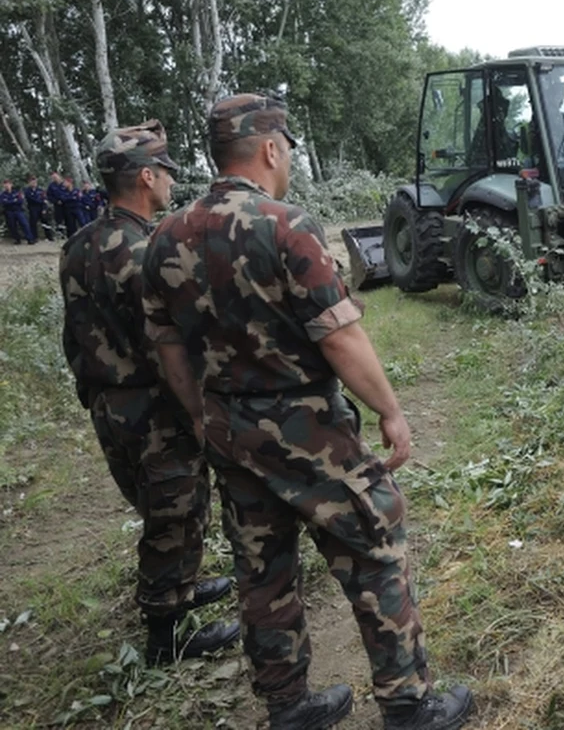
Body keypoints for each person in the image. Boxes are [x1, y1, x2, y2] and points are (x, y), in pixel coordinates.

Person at [141, 94, 473, 730]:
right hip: (309, 432)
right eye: (287, 147)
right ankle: (408, 704)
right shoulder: (286, 225)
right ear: (269, 148)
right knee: (375, 547)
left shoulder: (164, 237)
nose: (288, 157)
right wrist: (391, 412)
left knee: (262, 572)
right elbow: (339, 336)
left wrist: (201, 417)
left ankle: (289, 709)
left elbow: (170, 350)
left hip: (227, 432)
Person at [59, 120, 240, 665]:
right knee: (174, 511)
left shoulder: (78, 244)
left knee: (161, 502)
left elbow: (76, 332)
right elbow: (170, 342)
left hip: (106, 402)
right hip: (150, 404)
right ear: (144, 177)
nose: (169, 182)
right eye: (164, 171)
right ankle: (168, 634)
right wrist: (202, 403)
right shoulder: (145, 249)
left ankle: (181, 589)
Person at [1, 178, 35, 245]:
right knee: (12, 226)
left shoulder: (17, 192)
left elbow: (20, 201)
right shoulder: (2, 195)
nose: (7, 186)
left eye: (8, 184)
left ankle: (30, 239)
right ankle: (17, 239)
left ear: (11, 185)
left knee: (25, 224)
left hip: (19, 211)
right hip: (9, 212)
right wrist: (14, 200)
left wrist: (10, 201)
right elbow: (3, 203)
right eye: (5, 184)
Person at [23, 174, 51, 241]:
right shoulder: (27, 191)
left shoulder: (40, 190)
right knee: (33, 223)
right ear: (29, 183)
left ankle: (49, 236)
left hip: (41, 207)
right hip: (33, 208)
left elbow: (44, 199)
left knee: (45, 222)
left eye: (35, 182)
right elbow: (32, 199)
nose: (34, 183)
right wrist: (40, 200)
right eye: (32, 182)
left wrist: (44, 208)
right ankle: (34, 237)